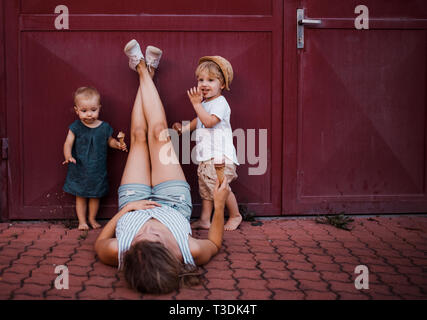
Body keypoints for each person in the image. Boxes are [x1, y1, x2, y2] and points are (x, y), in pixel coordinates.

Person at [94, 40, 231, 294]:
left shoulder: (117, 252)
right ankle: (145, 70)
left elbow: (100, 243)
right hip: (173, 201)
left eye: (140, 241)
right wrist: (220, 204)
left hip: (133, 202)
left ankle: (143, 70)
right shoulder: (189, 252)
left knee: (137, 137)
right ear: (171, 255)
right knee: (159, 134)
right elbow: (214, 242)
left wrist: (128, 211)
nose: (149, 232)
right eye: (156, 239)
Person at [172, 56, 242, 231]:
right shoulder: (205, 103)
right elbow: (199, 121)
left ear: (223, 84)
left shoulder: (220, 103)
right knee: (206, 189)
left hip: (220, 156)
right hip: (206, 156)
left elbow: (210, 121)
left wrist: (196, 105)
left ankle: (235, 215)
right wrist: (184, 129)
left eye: (211, 80)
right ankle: (205, 219)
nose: (204, 84)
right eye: (201, 79)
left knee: (220, 187)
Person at [62, 87, 127, 230]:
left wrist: (118, 144)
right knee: (80, 196)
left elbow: (109, 141)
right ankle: (82, 221)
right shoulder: (76, 127)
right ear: (76, 110)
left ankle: (92, 218)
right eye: (84, 111)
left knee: (95, 196)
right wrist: (68, 156)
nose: (89, 114)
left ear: (99, 108)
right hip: (79, 167)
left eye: (93, 110)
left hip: (97, 169)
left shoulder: (104, 127)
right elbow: (68, 143)